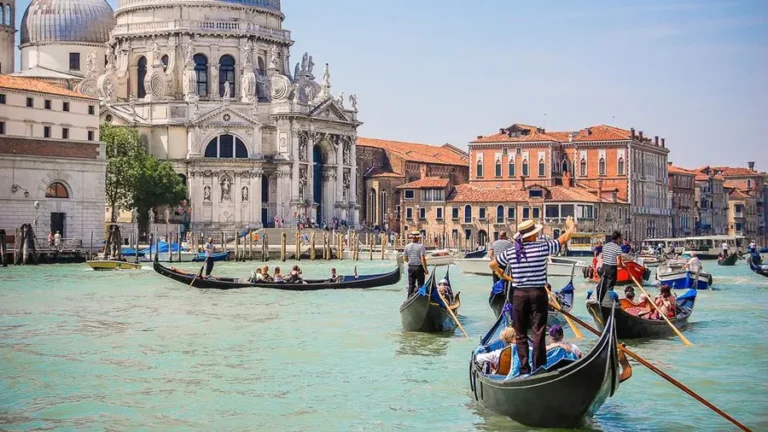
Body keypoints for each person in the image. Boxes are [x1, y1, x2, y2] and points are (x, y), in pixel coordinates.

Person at [488, 216, 576, 376]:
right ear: (533, 235)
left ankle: (523, 369)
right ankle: (538, 368)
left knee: (520, 333)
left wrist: (506, 277)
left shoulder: (511, 251)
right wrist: (571, 226)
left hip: (519, 295)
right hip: (538, 294)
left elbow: (492, 264)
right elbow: (563, 239)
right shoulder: (542, 247)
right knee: (539, 331)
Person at [597, 231, 624, 304]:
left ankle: (599, 301)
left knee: (602, 285)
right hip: (611, 269)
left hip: (604, 267)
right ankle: (606, 303)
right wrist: (623, 267)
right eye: (620, 238)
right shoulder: (618, 248)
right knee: (609, 287)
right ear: (618, 238)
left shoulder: (605, 245)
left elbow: (602, 257)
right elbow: (618, 263)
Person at [403, 231, 429, 297]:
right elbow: (422, 259)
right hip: (419, 267)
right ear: (418, 238)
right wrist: (425, 269)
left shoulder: (407, 246)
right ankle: (422, 298)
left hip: (411, 267)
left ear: (412, 238)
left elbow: (405, 258)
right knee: (421, 284)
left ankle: (409, 298)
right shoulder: (421, 246)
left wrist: (411, 261)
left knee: (411, 285)